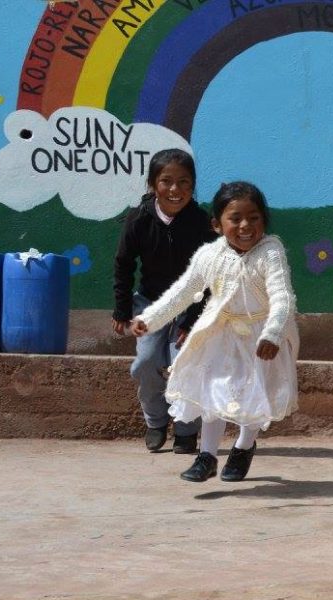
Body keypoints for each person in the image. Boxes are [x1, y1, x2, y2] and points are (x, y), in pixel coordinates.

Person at [131, 181, 299, 483]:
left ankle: (243, 448)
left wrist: (273, 333)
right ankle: (206, 456)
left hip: (261, 339)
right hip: (221, 335)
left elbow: (282, 297)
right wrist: (150, 318)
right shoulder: (209, 255)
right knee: (213, 393)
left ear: (264, 220)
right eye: (235, 219)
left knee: (252, 394)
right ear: (217, 224)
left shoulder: (271, 252)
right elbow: (183, 292)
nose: (245, 225)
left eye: (254, 218)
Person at [113, 149, 216, 455]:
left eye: (184, 182)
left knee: (184, 364)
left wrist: (192, 319)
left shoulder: (201, 223)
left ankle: (186, 431)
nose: (175, 190)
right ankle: (156, 423)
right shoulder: (139, 219)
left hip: (190, 306)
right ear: (152, 185)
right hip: (151, 305)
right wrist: (121, 309)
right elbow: (123, 264)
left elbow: (210, 275)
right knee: (147, 363)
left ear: (193, 186)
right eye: (166, 181)